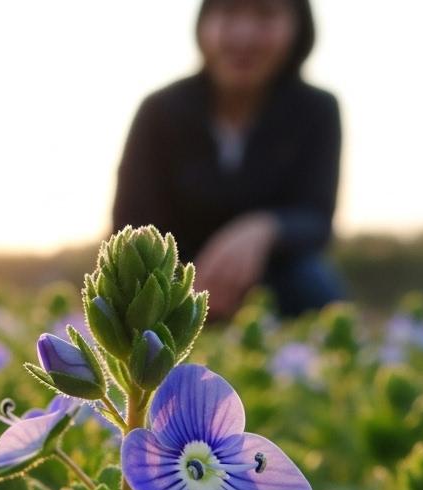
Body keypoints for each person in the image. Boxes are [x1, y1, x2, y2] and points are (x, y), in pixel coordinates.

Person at [113, 0, 342, 319]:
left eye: (266, 14)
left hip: (277, 281)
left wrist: (264, 228)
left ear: (298, 27)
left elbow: (317, 218)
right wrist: (186, 282)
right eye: (228, 11)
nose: (243, 36)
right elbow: (129, 224)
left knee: (313, 282)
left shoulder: (317, 109)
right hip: (170, 287)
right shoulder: (160, 110)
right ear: (203, 22)